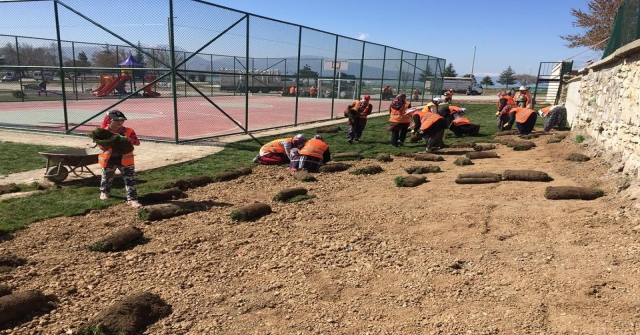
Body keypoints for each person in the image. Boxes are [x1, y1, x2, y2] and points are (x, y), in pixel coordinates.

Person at [98, 110, 142, 208]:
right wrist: (109, 142)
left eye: (122, 120)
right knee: (106, 177)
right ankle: (104, 192)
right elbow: (101, 146)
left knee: (130, 180)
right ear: (109, 120)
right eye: (116, 120)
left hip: (126, 160)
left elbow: (137, 142)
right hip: (109, 159)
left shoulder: (128, 131)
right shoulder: (103, 132)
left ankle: (132, 199)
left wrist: (126, 140)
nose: (120, 122)